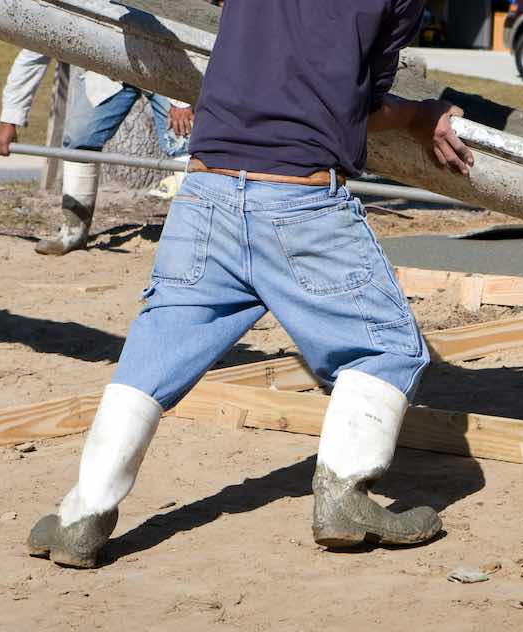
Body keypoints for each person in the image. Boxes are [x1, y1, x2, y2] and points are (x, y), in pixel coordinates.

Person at [26, 0, 474, 568]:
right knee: (385, 347)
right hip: (298, 199)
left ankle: (81, 515)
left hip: (204, 191)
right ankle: (345, 498)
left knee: (155, 352)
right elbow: (360, 107)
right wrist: (418, 115)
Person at [0, 50, 196, 255]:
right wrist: (10, 119)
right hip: (111, 71)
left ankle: (196, 235)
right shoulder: (59, 19)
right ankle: (72, 234)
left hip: (168, 67)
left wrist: (181, 100)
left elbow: (171, 39)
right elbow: (32, 56)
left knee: (184, 140)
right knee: (79, 139)